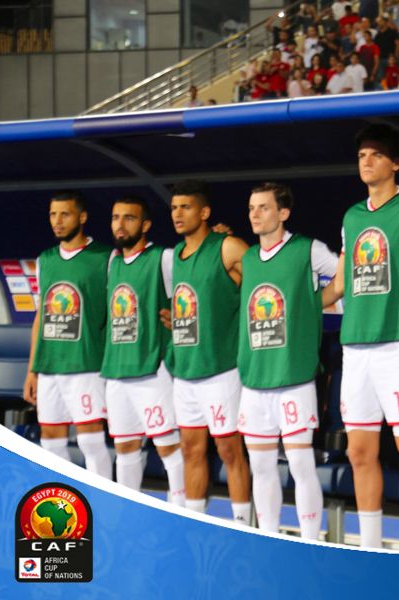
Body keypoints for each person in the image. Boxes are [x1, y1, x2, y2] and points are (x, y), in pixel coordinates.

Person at [328, 124, 399, 550]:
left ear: (395, 163)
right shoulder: (352, 216)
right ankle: (370, 549)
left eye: (376, 155)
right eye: (362, 156)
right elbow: (341, 284)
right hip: (357, 347)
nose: (367, 162)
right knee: (359, 453)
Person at [237, 182, 340, 537]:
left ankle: (310, 542)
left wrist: (311, 304)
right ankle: (269, 538)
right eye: (252, 207)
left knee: (300, 464)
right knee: (261, 467)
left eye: (263, 207)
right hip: (255, 380)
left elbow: (344, 276)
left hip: (294, 379)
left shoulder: (307, 249)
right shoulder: (249, 258)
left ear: (283, 213)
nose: (255, 214)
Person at [166, 180, 251, 522]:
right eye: (174, 207)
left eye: (185, 207)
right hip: (186, 370)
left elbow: (264, 279)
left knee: (229, 450)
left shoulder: (227, 247)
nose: (177, 214)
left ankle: (242, 527)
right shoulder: (176, 254)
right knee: (190, 450)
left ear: (204, 212)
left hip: (221, 370)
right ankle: (194, 524)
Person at [101, 195, 186, 506]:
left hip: (152, 368)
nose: (120, 225)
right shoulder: (112, 262)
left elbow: (200, 285)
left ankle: (181, 514)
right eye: (115, 218)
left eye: (129, 218)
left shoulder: (164, 258)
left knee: (168, 447)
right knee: (124, 448)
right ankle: (129, 514)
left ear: (146, 224)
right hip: (117, 371)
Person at [23, 190, 113, 479]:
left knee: (90, 439)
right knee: (50, 442)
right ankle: (64, 499)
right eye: (53, 214)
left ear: (82, 217)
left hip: (86, 364)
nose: (57, 221)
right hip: (49, 366)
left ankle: (102, 500)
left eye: (65, 214)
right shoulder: (45, 260)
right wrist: (32, 370)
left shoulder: (106, 257)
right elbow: (41, 316)